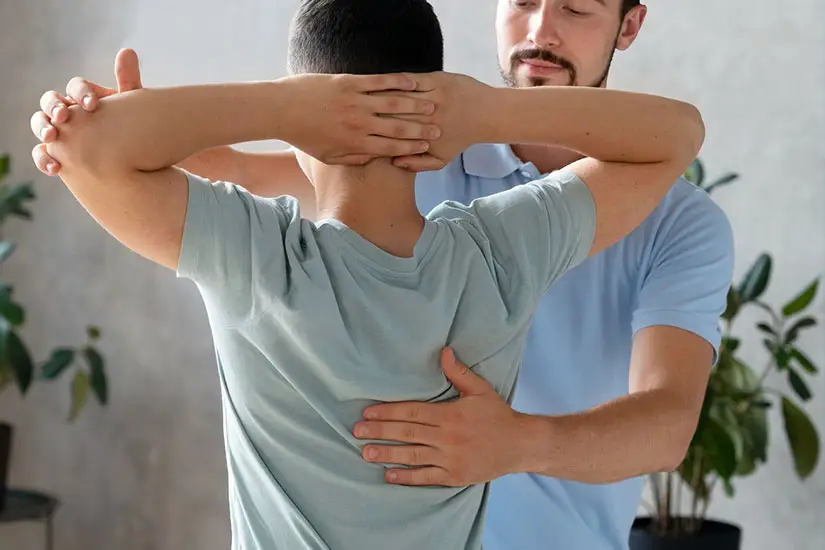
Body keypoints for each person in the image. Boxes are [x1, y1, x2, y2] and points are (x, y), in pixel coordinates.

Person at [30, 1, 732, 549]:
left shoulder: (255, 258)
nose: (540, 28)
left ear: (627, 25)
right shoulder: (504, 243)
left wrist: (286, 109)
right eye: (521, 1)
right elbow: (678, 136)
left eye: (576, 8)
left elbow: (667, 425)